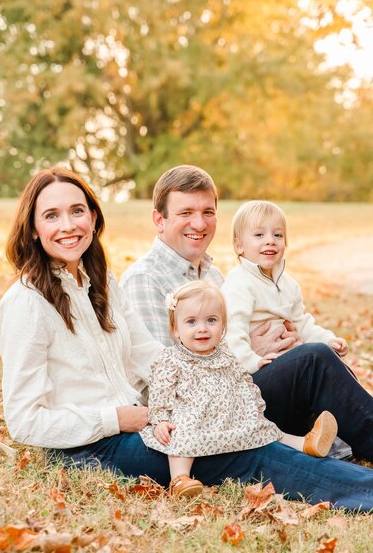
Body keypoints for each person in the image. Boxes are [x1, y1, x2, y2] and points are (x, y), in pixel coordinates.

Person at [0, 166, 373, 512]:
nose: (68, 225)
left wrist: (218, 388)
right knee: (240, 450)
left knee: (237, 431)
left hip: (150, 422)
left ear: (93, 218)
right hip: (90, 447)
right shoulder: (26, 303)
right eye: (51, 216)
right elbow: (24, 420)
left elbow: (154, 358)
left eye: (77, 211)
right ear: (32, 227)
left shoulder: (101, 285)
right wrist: (114, 418)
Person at [120, 165, 373, 463]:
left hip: (241, 397)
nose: (199, 223)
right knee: (314, 360)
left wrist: (286, 347)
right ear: (159, 220)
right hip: (205, 419)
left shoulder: (214, 274)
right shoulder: (145, 279)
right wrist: (253, 352)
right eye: (185, 213)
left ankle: (340, 441)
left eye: (208, 212)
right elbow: (163, 379)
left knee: (320, 358)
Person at [141, 281, 338, 497]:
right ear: (176, 330)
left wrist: (253, 404)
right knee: (179, 436)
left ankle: (306, 444)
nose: (202, 328)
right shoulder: (171, 358)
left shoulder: (224, 352)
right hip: (193, 418)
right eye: (191, 322)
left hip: (230, 415)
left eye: (211, 320)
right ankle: (179, 478)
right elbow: (160, 391)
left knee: (264, 428)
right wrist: (159, 419)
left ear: (223, 326)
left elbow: (241, 378)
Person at [221, 200, 348, 374]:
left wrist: (327, 339)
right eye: (259, 235)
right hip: (257, 371)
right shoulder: (239, 282)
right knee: (316, 357)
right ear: (239, 246)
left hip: (290, 362)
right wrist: (252, 362)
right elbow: (233, 332)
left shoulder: (289, 285)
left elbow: (301, 324)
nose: (270, 241)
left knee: (333, 362)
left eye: (278, 235)